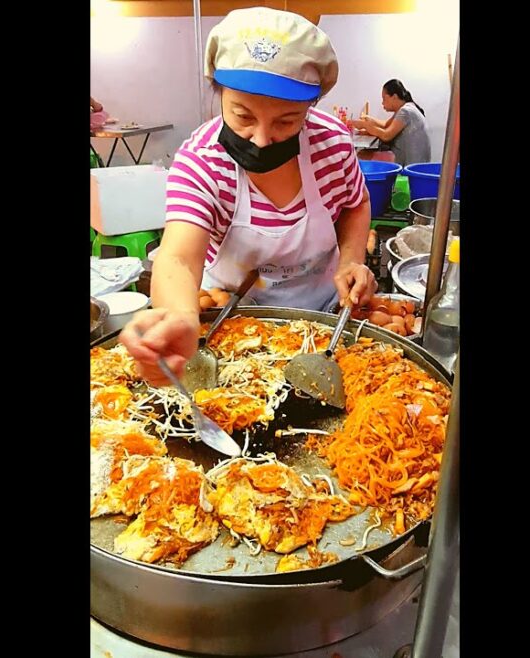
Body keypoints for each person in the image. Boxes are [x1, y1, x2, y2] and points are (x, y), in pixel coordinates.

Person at [120, 7, 376, 385]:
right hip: (232, 325)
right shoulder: (201, 161)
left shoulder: (332, 145)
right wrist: (180, 317)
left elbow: (356, 203)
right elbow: (179, 258)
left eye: (286, 121)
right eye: (242, 115)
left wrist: (351, 261)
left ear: (311, 107)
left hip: (321, 320)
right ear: (218, 93)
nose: (261, 139)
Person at [349, 79, 431, 167]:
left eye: (384, 98)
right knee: (364, 153)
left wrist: (364, 125)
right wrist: (368, 120)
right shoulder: (407, 107)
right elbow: (386, 125)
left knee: (361, 155)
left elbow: (386, 135)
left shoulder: (405, 111)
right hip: (415, 162)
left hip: (410, 165)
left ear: (394, 97)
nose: (382, 102)